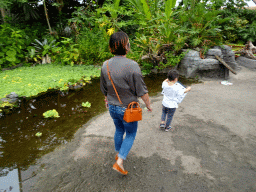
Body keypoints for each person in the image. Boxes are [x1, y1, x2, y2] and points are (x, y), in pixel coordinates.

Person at [100, 31, 152, 175]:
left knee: (119, 130)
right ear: (126, 46)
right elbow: (142, 91)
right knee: (130, 134)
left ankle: (119, 154)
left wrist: (107, 99)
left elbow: (104, 88)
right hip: (128, 109)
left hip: (112, 107)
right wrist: (148, 105)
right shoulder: (132, 65)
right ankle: (120, 161)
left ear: (111, 47)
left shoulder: (106, 65)